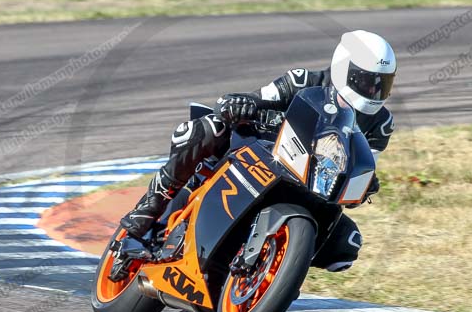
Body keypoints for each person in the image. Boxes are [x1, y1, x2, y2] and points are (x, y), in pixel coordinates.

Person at [120, 30, 396, 272]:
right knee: (206, 129)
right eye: (365, 81)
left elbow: (364, 164)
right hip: (264, 152)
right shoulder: (302, 81)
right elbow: (255, 98)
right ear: (343, 67)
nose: (373, 90)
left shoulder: (381, 124)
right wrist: (241, 105)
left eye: (381, 84)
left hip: (315, 186)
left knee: (347, 245)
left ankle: (278, 268)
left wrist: (364, 185)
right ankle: (144, 218)